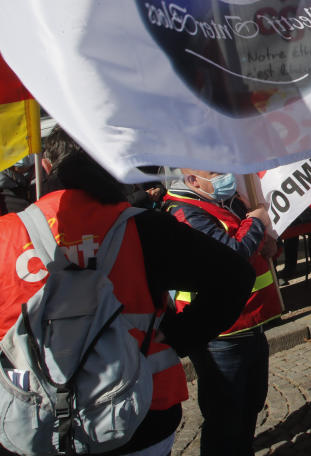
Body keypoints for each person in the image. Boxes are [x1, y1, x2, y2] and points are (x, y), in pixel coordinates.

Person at [0, 127, 253, 455]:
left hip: (30, 419)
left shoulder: (6, 235)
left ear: (47, 168)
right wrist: (177, 336)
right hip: (139, 413)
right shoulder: (144, 228)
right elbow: (234, 275)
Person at [163, 169, 282, 456]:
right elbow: (231, 255)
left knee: (250, 403)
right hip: (222, 333)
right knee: (225, 416)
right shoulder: (184, 212)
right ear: (192, 179)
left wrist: (268, 244)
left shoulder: (219, 201)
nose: (226, 175)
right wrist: (255, 220)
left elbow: (249, 246)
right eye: (216, 172)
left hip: (249, 322)